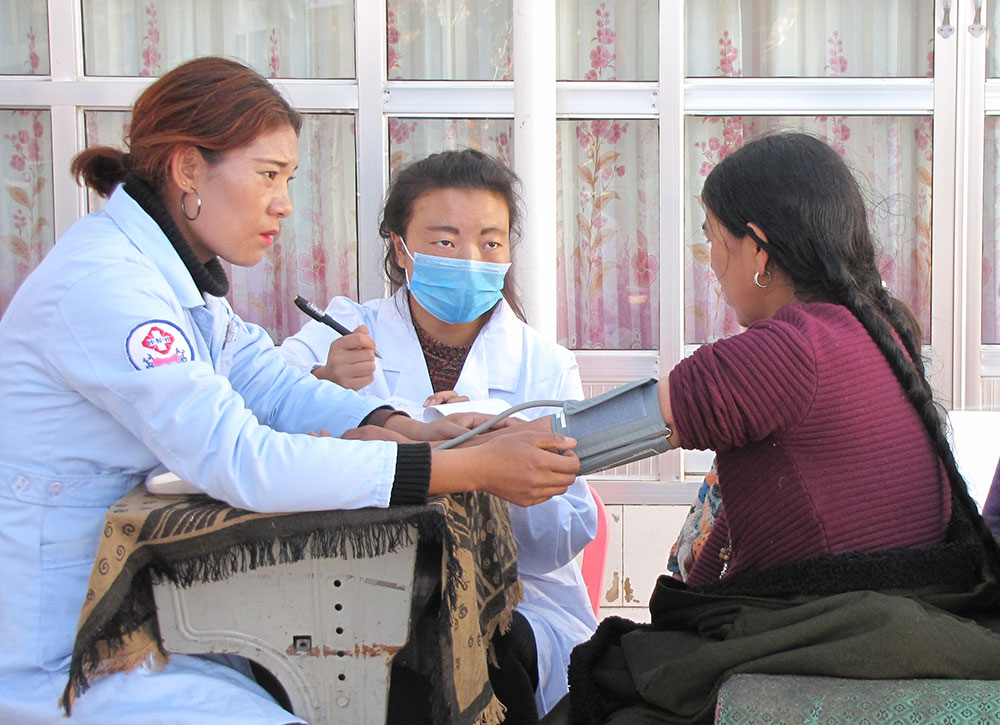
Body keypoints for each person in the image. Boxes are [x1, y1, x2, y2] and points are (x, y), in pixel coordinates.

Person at [0, 57, 581, 724]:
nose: (284, 201)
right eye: (269, 175)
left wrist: (402, 422)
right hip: (62, 648)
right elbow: (240, 455)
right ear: (189, 169)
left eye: (291, 179)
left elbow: (269, 384)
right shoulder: (110, 286)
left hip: (134, 615)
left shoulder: (179, 281)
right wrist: (459, 465)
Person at [550, 132, 1000, 724]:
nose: (710, 263)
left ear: (757, 251)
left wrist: (452, 446)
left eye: (713, 238)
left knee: (602, 688)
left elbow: (571, 447)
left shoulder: (789, 352)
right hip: (881, 627)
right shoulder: (879, 335)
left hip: (822, 642)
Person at [280, 149, 599, 720]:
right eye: (446, 241)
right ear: (400, 249)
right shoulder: (343, 334)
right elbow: (266, 427)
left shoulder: (545, 367)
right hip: (355, 581)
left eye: (490, 242)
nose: (470, 259)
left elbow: (564, 536)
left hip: (516, 604)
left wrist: (502, 444)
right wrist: (326, 381)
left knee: (474, 645)